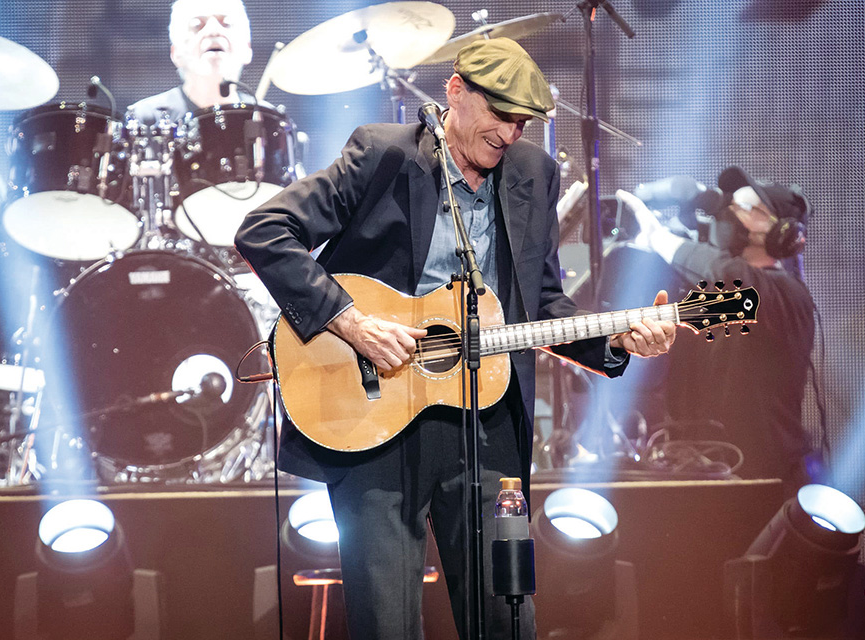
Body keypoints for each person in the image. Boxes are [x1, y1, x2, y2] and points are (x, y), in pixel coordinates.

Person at [236, 38, 676, 640]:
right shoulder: (381, 153)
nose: (510, 135)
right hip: (371, 420)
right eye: (499, 116)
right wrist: (352, 323)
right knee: (387, 625)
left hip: (487, 424)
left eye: (522, 123)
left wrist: (620, 342)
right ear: (455, 92)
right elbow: (265, 230)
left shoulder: (533, 175)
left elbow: (542, 304)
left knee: (506, 619)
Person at [617, 166, 815, 496]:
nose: (728, 214)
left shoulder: (786, 294)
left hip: (764, 479)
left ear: (779, 232)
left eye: (744, 208)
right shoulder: (719, 296)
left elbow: (733, 279)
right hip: (703, 470)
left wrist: (660, 238)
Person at [127, 0, 258, 125]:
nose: (213, 31)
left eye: (226, 23)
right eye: (197, 25)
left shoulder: (264, 118)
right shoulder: (144, 119)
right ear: (175, 53)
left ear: (247, 49)